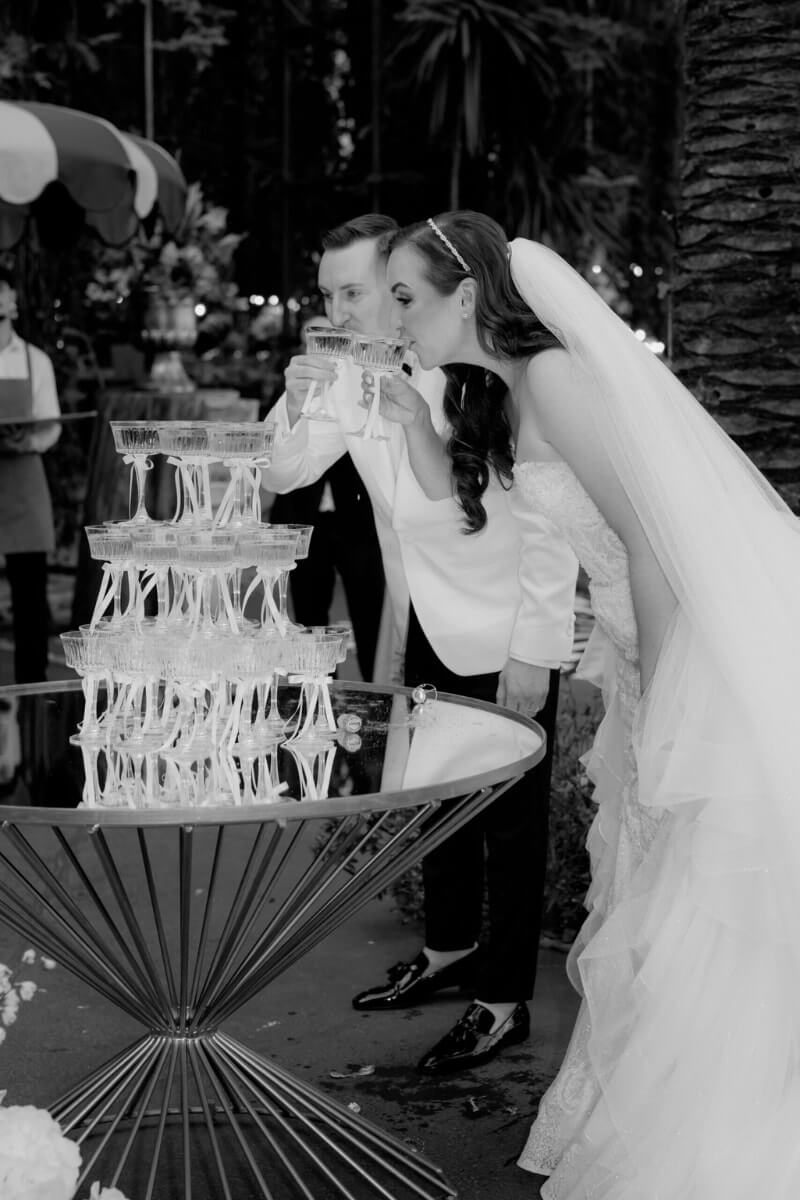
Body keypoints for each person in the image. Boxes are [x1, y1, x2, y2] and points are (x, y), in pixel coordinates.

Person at [382, 209, 800, 1198]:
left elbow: (652, 541)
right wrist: (410, 425)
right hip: (637, 653)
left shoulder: (557, 379)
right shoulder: (494, 392)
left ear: (465, 294)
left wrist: (658, 699)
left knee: (707, 903)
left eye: (404, 296)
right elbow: (478, 521)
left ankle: (724, 1134)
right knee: (656, 893)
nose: (395, 318)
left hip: (687, 654)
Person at [262, 214, 578, 1075]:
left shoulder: (479, 370)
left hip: (507, 624)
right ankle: (445, 953)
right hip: (426, 619)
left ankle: (503, 999)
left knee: (510, 824)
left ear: (402, 282)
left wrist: (533, 649)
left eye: (359, 292)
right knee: (433, 793)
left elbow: (547, 526)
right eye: (328, 295)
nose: (342, 310)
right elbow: (284, 472)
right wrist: (295, 395)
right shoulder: (346, 373)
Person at [266, 314, 386, 680]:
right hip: (305, 520)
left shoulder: (357, 387)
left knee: (370, 612)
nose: (323, 342)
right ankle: (314, 695)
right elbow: (276, 464)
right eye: (315, 335)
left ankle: (374, 688)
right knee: (308, 616)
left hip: (356, 518)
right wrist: (295, 405)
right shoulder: (294, 388)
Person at [0, 267, 61, 683]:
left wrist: (29, 442)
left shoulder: (35, 360)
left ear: (11, 303)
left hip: (23, 478)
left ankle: (34, 687)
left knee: (29, 595)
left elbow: (51, 423)